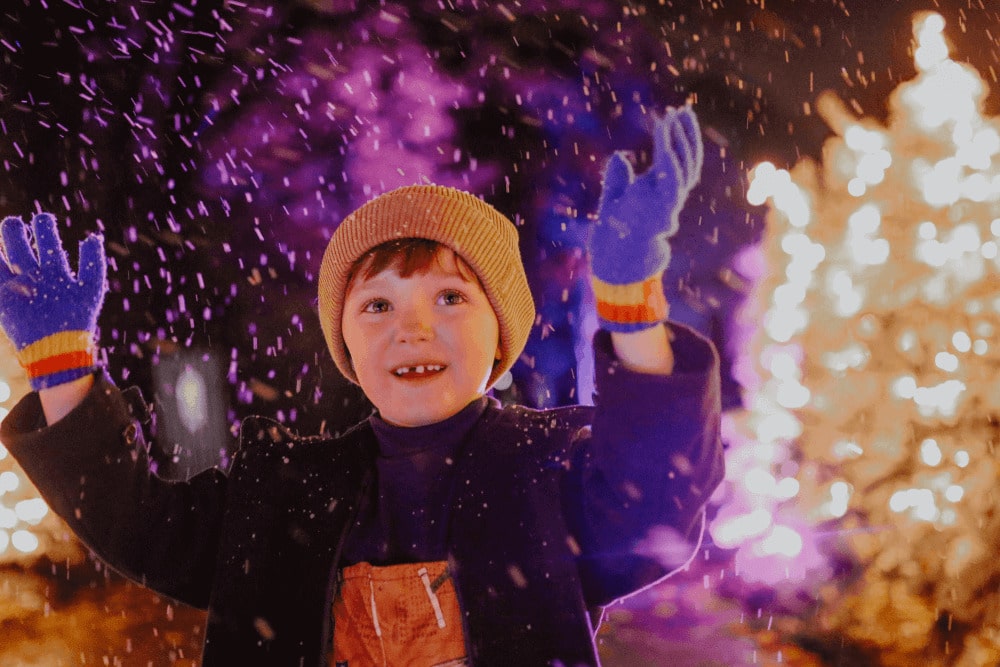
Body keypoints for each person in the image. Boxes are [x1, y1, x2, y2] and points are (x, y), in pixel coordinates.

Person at [0, 105, 724, 666]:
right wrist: (64, 367)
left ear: (501, 334)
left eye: (449, 298)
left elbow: (653, 501)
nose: (411, 328)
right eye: (377, 304)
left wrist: (629, 303)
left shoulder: (548, 466)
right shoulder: (281, 485)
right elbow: (142, 526)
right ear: (343, 337)